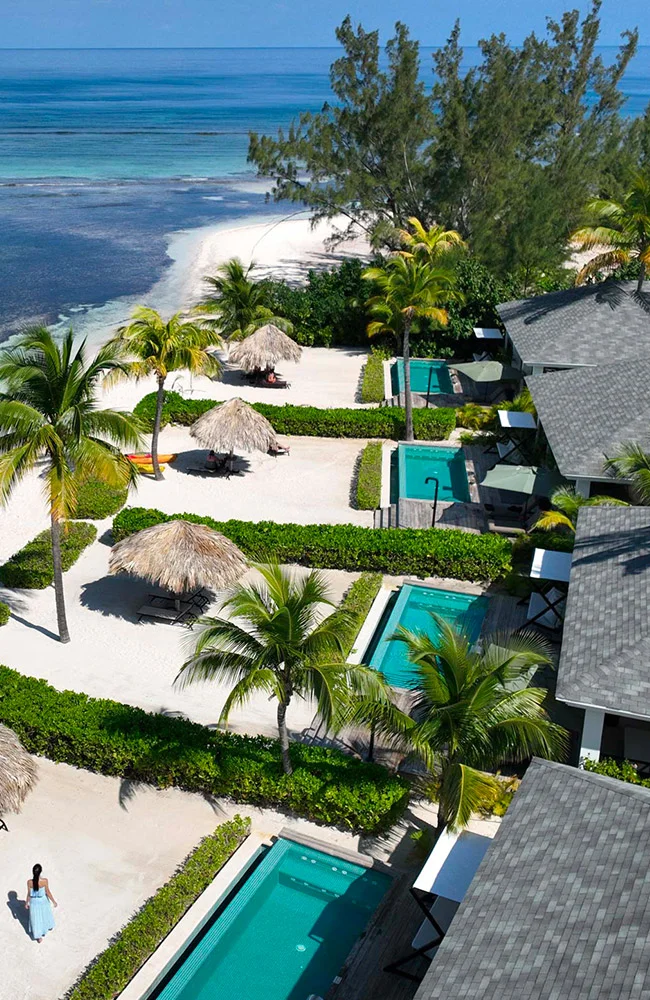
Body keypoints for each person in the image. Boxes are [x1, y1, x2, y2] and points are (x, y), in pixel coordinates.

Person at [25, 863, 57, 942]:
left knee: (36, 919)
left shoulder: (29, 882)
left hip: (34, 902)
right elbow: (48, 892)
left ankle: (39, 937)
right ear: (41, 872)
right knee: (45, 915)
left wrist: (26, 903)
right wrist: (54, 901)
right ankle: (48, 926)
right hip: (42, 901)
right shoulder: (45, 881)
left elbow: (29, 894)